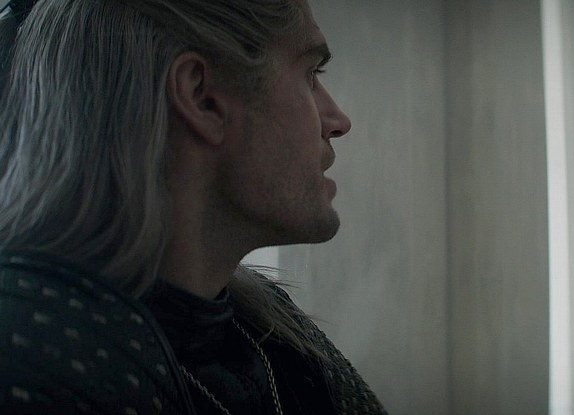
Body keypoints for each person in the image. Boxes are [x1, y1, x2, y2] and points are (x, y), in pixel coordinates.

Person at [0, 0, 387, 413]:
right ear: (201, 98)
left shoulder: (274, 333)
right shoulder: (31, 357)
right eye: (310, 74)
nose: (338, 121)